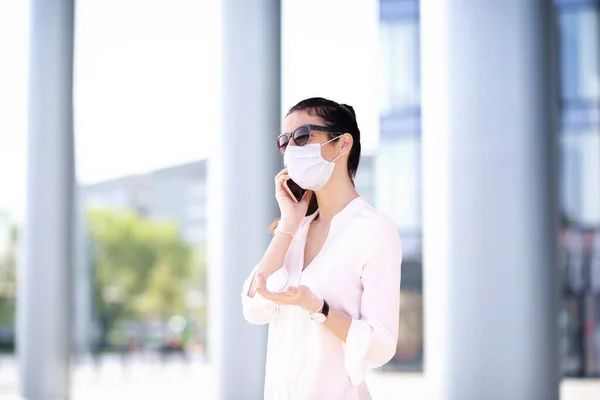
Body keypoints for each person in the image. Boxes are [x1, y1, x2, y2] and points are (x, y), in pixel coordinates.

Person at [241, 97, 402, 399]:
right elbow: (253, 304)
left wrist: (318, 308)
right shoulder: (295, 230)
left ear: (342, 144)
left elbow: (381, 345)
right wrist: (288, 223)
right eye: (284, 142)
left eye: (302, 136)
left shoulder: (373, 229)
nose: (291, 149)